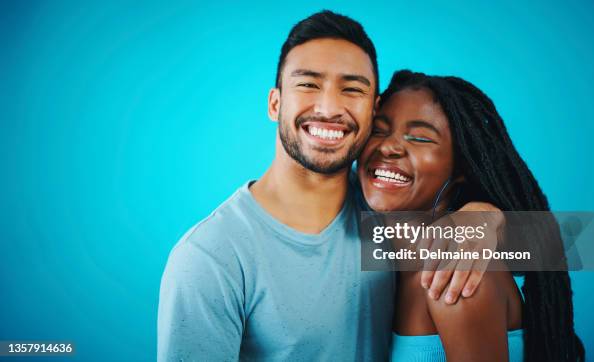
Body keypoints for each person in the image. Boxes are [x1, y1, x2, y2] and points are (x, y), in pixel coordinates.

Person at [157, 11, 501, 361]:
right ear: (275, 103)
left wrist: (487, 217)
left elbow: (547, 253)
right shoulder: (212, 257)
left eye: (352, 89)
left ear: (373, 109)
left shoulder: (385, 208)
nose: (329, 108)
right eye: (308, 84)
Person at [357, 70, 584, 361]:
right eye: (378, 130)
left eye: (420, 138)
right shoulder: (390, 267)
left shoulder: (460, 273)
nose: (388, 146)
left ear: (461, 169)